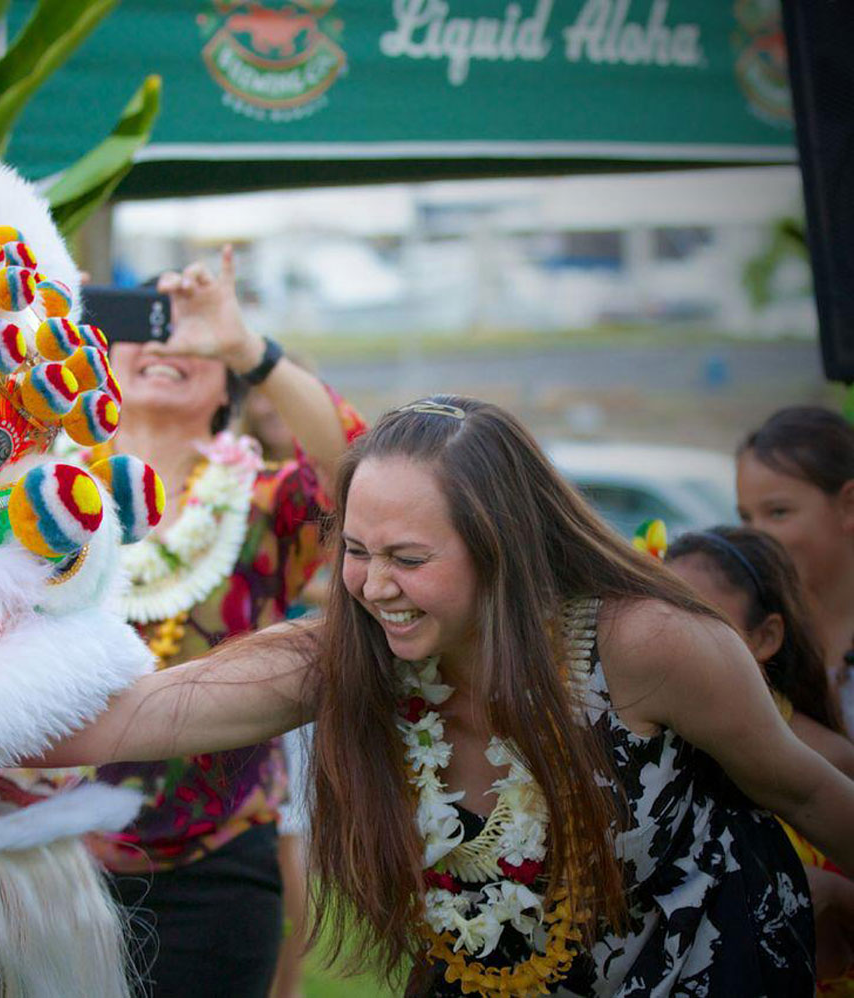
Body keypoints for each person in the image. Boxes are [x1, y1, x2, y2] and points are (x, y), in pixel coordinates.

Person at [43, 395, 854, 997]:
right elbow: (137, 715)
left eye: (409, 556)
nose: (374, 586)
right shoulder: (349, 656)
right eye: (357, 552)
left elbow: (807, 788)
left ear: (501, 548)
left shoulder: (647, 645)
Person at [84, 246, 362, 997]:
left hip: (213, 876)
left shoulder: (267, 500)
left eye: (190, 334)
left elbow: (364, 465)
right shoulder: (46, 494)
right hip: (46, 863)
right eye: (146, 324)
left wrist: (247, 343)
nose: (168, 342)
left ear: (227, 393)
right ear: (106, 362)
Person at [664, 526, 854, 992]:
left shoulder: (830, 761)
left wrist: (831, 896)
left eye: (700, 622)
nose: (667, 644)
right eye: (657, 619)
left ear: (765, 637)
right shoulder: (653, 750)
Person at [737, 405, 854, 731]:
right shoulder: (756, 633)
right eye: (746, 517)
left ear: (849, 505)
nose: (756, 535)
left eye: (777, 513)